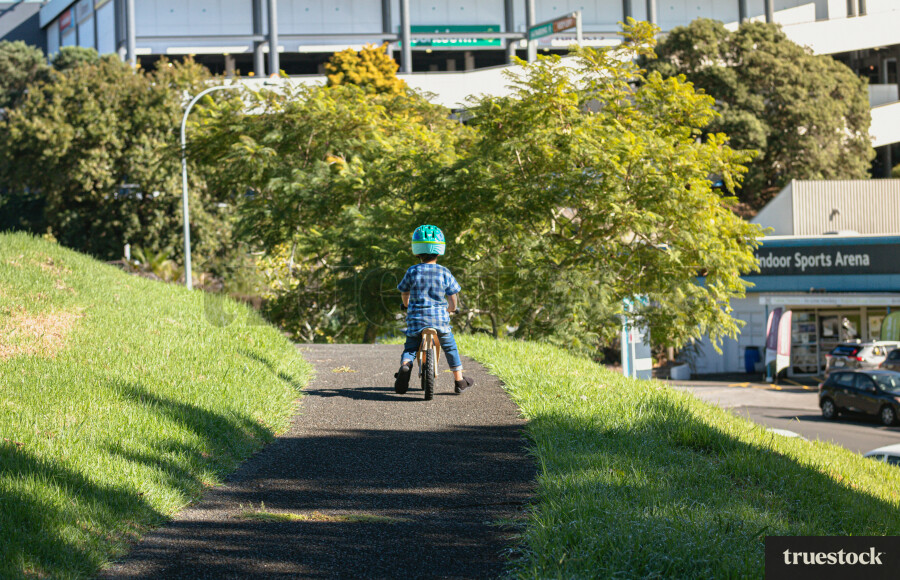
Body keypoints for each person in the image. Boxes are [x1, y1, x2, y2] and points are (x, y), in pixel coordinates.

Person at [394, 225, 475, 395]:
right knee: (450, 347)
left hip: (416, 320)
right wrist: (452, 308)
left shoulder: (412, 271)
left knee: (410, 347)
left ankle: (405, 366)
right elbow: (453, 295)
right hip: (440, 320)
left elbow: (404, 291)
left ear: (417, 251)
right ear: (440, 251)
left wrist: (407, 304)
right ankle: (459, 380)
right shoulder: (444, 272)